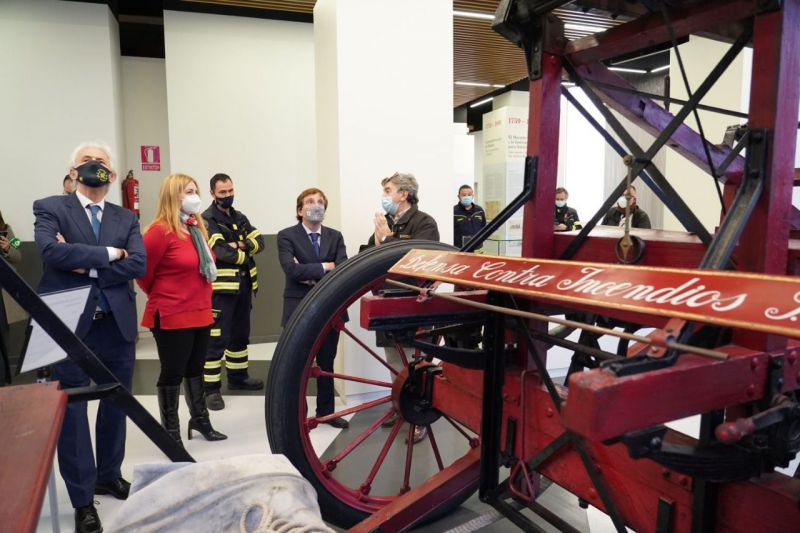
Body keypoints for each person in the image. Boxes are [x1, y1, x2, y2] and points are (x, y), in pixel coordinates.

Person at [33, 141, 146, 533]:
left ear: (112, 175)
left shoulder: (125, 218)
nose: (94, 167)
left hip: (116, 326)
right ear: (73, 171)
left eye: (101, 163)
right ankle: (83, 499)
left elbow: (138, 263)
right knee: (75, 412)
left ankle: (109, 473)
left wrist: (84, 263)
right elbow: (50, 252)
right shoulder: (50, 208)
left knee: (117, 403)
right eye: (86, 162)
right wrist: (109, 256)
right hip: (69, 328)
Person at [137, 174, 227, 446]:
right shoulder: (159, 231)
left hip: (200, 310)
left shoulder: (196, 227)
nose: (194, 196)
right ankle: (170, 432)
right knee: (172, 372)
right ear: (173, 195)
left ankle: (199, 419)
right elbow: (143, 274)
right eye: (188, 191)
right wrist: (166, 295)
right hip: (171, 313)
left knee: (196, 369)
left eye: (195, 190)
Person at [364, 172, 439, 443]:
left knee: (416, 365)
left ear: (403, 194)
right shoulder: (386, 223)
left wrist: (386, 242)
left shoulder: (424, 223)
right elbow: (366, 257)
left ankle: (419, 418)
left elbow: (421, 260)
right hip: (388, 303)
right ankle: (400, 407)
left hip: (413, 306)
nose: (384, 196)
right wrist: (376, 242)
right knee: (394, 364)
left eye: (388, 190)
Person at [277, 188, 349, 428]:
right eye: (310, 201)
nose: (315, 205)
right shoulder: (286, 236)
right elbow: (291, 270)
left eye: (320, 202)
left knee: (326, 363)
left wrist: (313, 270)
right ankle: (297, 416)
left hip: (330, 307)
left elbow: (342, 268)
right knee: (298, 363)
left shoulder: (335, 236)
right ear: (300, 210)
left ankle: (326, 413)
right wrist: (325, 267)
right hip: (298, 308)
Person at [201, 173, 265, 410]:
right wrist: (244, 250)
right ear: (212, 194)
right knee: (216, 339)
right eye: (222, 193)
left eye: (230, 191)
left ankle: (238, 378)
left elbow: (260, 241)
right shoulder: (207, 219)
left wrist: (239, 244)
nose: (228, 196)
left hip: (244, 287)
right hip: (222, 291)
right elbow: (219, 252)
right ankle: (211, 390)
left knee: (239, 335)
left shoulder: (239, 216)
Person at [0, 209, 22, 385]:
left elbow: (18, 253)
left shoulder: (7, 230)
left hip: (3, 294)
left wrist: (8, 247)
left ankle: (5, 380)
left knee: (4, 338)